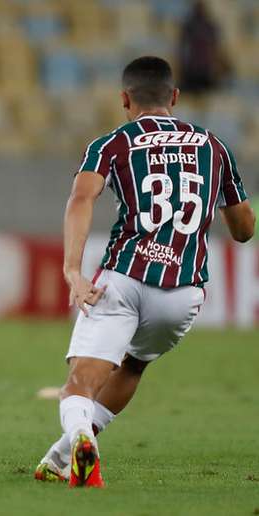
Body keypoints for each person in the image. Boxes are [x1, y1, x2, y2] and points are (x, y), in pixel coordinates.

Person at [33, 56, 254, 487]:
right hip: (183, 293)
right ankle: (60, 458)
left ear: (124, 99)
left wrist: (73, 270)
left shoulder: (111, 144)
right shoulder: (213, 146)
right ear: (174, 96)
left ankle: (79, 437)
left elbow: (81, 199)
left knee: (81, 381)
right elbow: (244, 229)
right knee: (132, 366)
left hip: (124, 278)